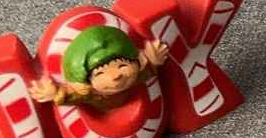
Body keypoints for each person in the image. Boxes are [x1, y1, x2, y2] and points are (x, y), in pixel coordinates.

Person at [29, 25, 167, 109]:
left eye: (122, 65)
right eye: (100, 73)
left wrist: (153, 61)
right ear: (86, 83)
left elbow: (147, 73)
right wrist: (54, 94)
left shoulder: (137, 76)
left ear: (137, 62)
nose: (116, 75)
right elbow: (71, 96)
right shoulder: (89, 94)